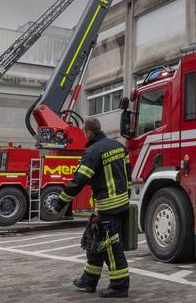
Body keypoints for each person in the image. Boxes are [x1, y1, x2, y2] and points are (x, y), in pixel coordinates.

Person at [51, 117, 131, 298]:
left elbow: (78, 181)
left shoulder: (93, 152)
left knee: (110, 246)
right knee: (94, 240)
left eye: (83, 133)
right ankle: (89, 279)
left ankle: (119, 286)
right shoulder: (119, 146)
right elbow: (128, 173)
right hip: (119, 203)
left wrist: (59, 205)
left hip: (107, 206)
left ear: (88, 133)